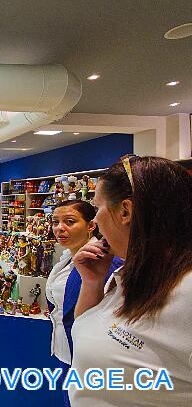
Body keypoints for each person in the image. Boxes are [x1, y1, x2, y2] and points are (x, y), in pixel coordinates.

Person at [70, 156, 192, 406]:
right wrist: (92, 283)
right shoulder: (129, 275)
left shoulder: (186, 291)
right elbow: (83, 329)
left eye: (96, 209)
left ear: (125, 211)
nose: (94, 223)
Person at [46, 200, 121, 406]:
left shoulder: (103, 261)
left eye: (69, 221)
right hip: (64, 349)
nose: (59, 228)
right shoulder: (67, 258)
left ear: (91, 226)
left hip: (86, 356)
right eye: (55, 222)